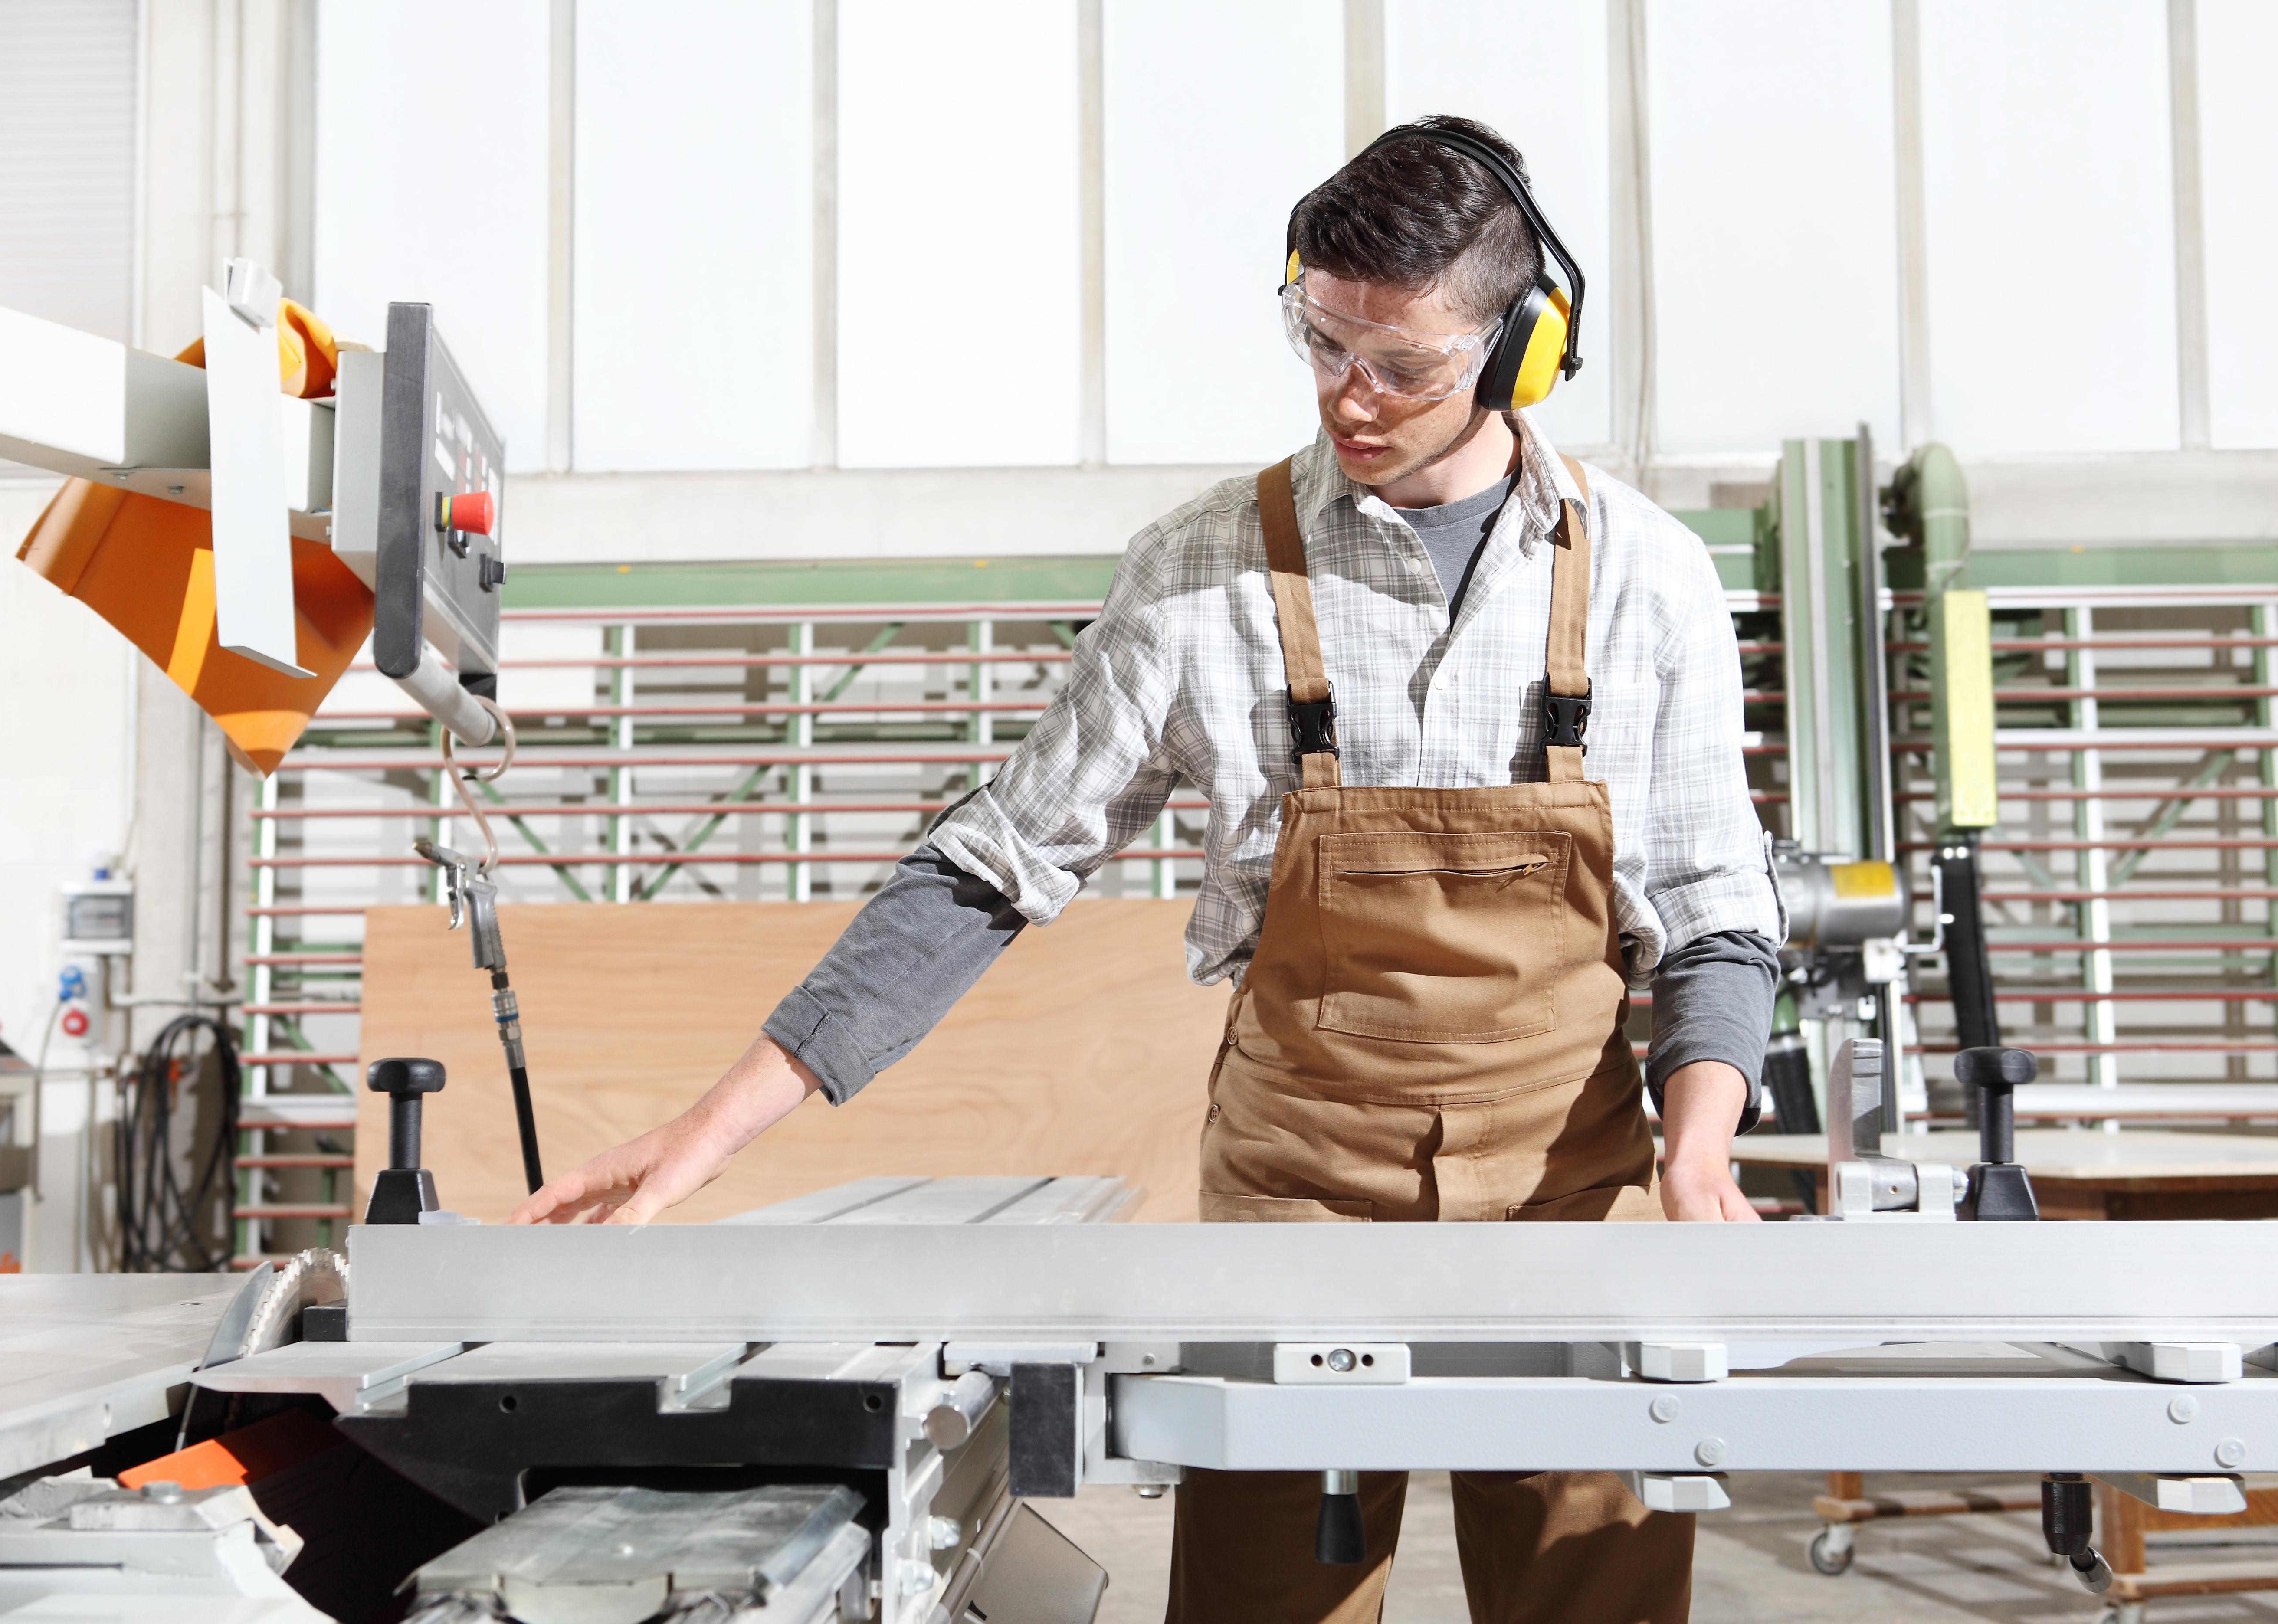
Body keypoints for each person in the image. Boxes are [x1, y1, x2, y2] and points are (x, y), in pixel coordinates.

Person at [517, 115, 1780, 1624]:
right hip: (1295, 1212)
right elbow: (989, 869)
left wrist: (1698, 1150)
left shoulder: (1648, 577)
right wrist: (705, 1134)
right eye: (1321, 341)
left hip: (1580, 1204)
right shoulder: (1201, 573)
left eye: (1403, 367)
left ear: (1520, 351)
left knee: (1599, 1601)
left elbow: (1715, 911)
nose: (1348, 396)